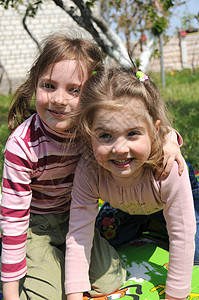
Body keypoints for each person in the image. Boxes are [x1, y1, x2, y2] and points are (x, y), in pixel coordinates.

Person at [0, 33, 183, 300]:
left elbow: (138, 129)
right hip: (34, 227)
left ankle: (58, 264)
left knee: (111, 282)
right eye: (48, 86)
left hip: (77, 219)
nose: (59, 100)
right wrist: (10, 293)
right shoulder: (22, 146)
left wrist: (169, 140)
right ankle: (38, 269)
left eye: (74, 90)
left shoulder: (91, 130)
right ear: (34, 84)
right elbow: (13, 221)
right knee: (46, 296)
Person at [65, 65, 196, 300]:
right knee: (106, 236)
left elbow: (182, 235)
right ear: (89, 134)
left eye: (133, 133)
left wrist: (175, 296)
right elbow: (79, 234)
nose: (120, 149)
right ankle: (150, 226)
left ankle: (158, 225)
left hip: (173, 201)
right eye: (105, 135)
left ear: (155, 131)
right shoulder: (90, 168)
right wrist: (74, 294)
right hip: (127, 206)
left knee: (192, 250)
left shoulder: (168, 168)